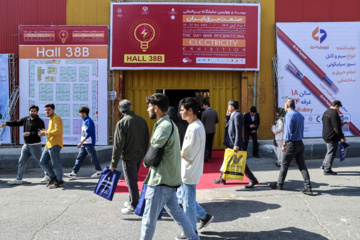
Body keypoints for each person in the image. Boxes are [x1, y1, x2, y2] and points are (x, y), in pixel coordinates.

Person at [141, 93, 199, 240]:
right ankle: (193, 237)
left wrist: (145, 162)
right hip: (170, 180)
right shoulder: (170, 124)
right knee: (179, 215)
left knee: (148, 221)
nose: (147, 110)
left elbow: (152, 156)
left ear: (156, 108)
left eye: (149, 107)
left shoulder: (163, 126)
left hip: (160, 181)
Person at [176, 97, 214, 238]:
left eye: (182, 110)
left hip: (189, 170)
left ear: (190, 110)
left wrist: (175, 151)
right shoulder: (194, 125)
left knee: (188, 203)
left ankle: (191, 230)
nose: (180, 113)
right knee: (183, 196)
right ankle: (204, 216)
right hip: (189, 169)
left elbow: (187, 153)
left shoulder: (195, 128)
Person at [110, 99, 149, 214]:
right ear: (131, 107)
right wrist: (144, 153)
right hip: (139, 155)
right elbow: (146, 139)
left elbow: (118, 145)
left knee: (131, 181)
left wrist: (113, 163)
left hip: (128, 156)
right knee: (133, 178)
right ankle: (132, 200)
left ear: (120, 110)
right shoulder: (142, 120)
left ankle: (134, 205)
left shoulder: (122, 122)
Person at [268, 98, 312, 194]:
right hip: (300, 142)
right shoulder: (299, 115)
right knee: (302, 165)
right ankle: (308, 186)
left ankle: (279, 184)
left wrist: (284, 144)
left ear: (287, 105)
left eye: (285, 104)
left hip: (291, 144)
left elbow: (287, 131)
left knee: (284, 165)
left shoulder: (288, 115)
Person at [213, 100, 259, 188]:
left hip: (234, 143)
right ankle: (222, 179)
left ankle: (253, 179)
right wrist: (227, 116)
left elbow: (238, 131)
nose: (228, 107)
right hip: (231, 142)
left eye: (228, 106)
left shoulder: (238, 115)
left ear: (233, 107)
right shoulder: (233, 115)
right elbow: (228, 125)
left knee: (242, 163)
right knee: (226, 161)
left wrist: (236, 145)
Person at [1, 105, 49, 185]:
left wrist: (29, 133)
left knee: (41, 161)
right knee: (21, 161)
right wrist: (6, 123)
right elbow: (17, 122)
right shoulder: (26, 119)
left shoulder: (40, 121)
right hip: (26, 145)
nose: (32, 112)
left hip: (35, 145)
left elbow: (40, 133)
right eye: (31, 111)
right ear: (29, 111)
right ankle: (19, 179)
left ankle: (48, 175)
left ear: (37, 112)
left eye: (34, 111)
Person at [63, 107, 102, 179]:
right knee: (79, 158)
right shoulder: (85, 121)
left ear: (84, 113)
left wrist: (81, 142)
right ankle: (73, 173)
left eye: (80, 113)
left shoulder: (89, 121)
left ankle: (99, 172)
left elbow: (89, 133)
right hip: (85, 143)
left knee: (93, 158)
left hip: (89, 143)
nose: (80, 115)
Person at [38, 103, 64, 189]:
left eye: (49, 110)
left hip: (55, 144)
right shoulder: (51, 119)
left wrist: (45, 133)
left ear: (53, 110)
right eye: (46, 110)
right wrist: (44, 132)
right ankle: (53, 177)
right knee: (42, 161)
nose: (47, 111)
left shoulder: (56, 118)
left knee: (56, 164)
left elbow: (58, 131)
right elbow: (52, 131)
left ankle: (59, 181)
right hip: (49, 144)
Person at [321, 100, 346, 175]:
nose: (339, 109)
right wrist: (342, 137)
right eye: (339, 108)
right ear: (336, 106)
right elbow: (336, 128)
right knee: (331, 153)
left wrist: (339, 124)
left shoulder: (326, 112)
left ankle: (324, 165)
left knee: (329, 151)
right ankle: (327, 170)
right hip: (332, 137)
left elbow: (329, 123)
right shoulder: (334, 113)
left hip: (326, 135)